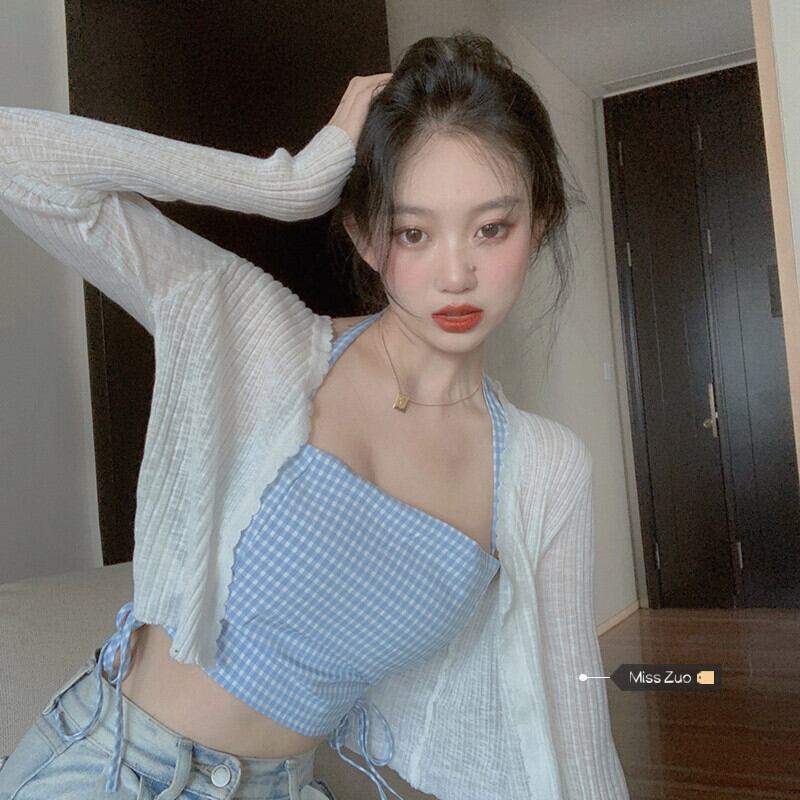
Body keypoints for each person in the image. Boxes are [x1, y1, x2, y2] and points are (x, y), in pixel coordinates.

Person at [0, 30, 629, 800]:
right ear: (365, 236)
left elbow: (572, 725)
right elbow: (15, 155)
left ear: (540, 223)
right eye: (414, 232)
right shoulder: (259, 336)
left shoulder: (542, 469)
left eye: (491, 228)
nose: (457, 273)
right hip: (114, 769)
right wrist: (284, 185)